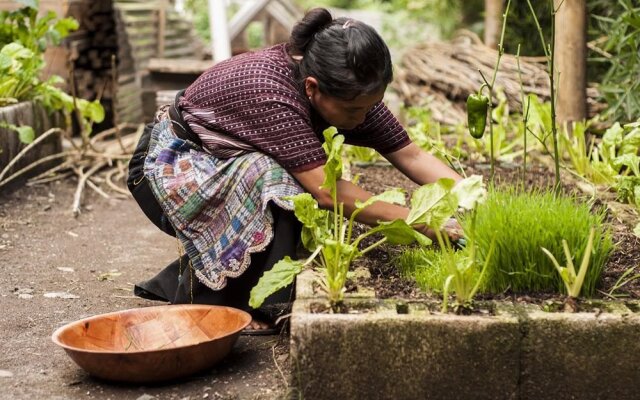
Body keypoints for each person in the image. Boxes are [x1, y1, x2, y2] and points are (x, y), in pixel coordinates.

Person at [127, 8, 462, 334]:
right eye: (355, 110)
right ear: (312, 88)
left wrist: (475, 196)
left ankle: (212, 285)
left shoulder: (348, 91)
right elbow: (327, 192)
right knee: (281, 180)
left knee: (283, 177)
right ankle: (233, 301)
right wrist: (423, 222)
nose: (363, 117)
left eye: (371, 105)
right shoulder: (272, 92)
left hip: (221, 163)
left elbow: (411, 155)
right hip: (168, 170)